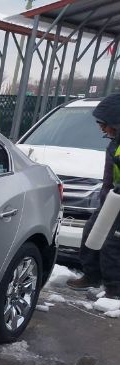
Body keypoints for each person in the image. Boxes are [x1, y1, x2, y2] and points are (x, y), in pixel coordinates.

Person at [67, 93, 120, 299]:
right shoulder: (114, 144)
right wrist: (105, 201)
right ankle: (92, 275)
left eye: (103, 123)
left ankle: (115, 289)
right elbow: (109, 176)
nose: (101, 128)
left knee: (112, 244)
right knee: (91, 232)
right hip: (113, 200)